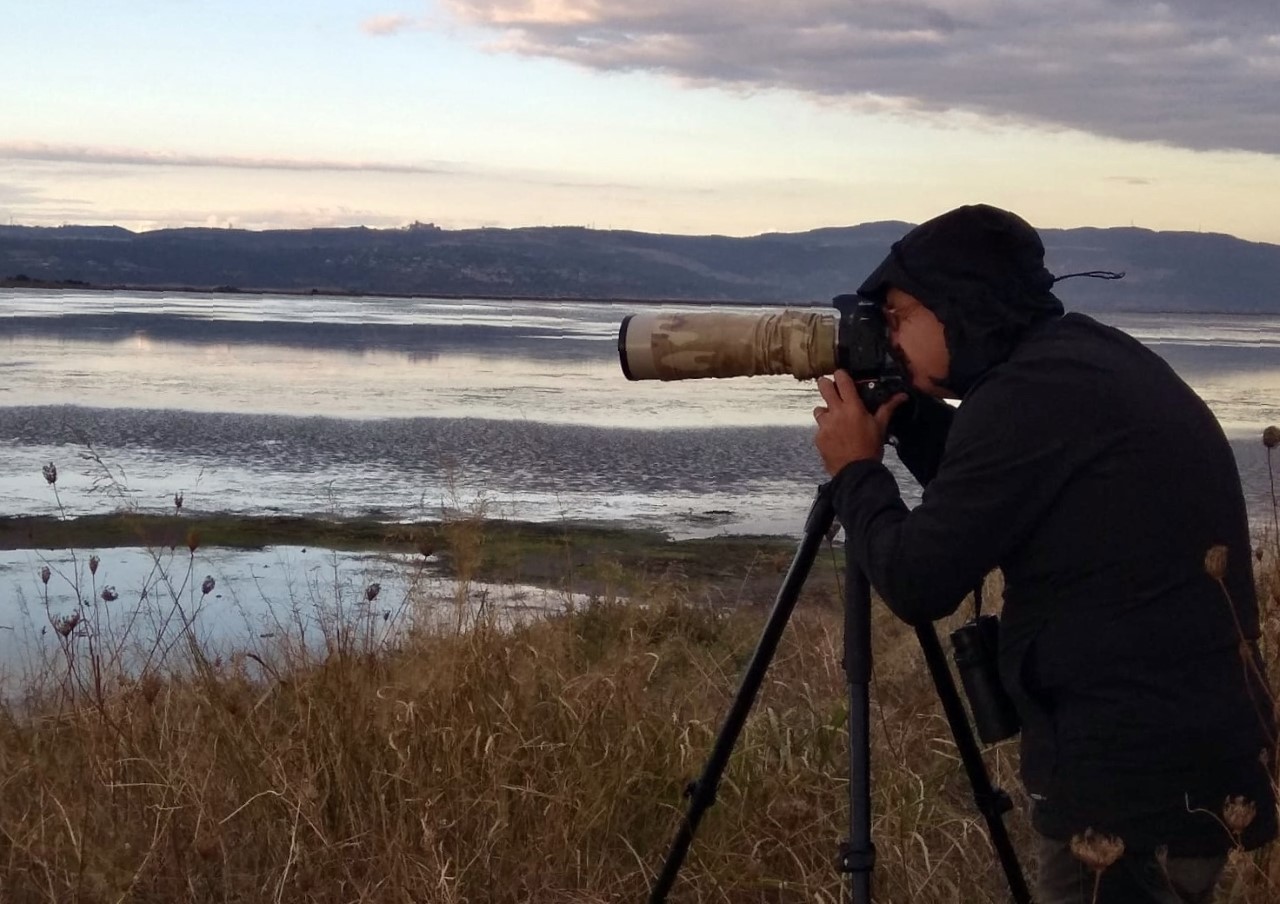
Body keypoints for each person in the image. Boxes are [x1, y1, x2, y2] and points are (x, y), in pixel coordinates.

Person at [811, 203, 1276, 903]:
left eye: (900, 315)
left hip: (1128, 794)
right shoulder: (1076, 364)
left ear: (958, 305)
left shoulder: (1030, 395)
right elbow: (1001, 489)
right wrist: (903, 417)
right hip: (1177, 769)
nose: (890, 335)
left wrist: (856, 473)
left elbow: (916, 580)